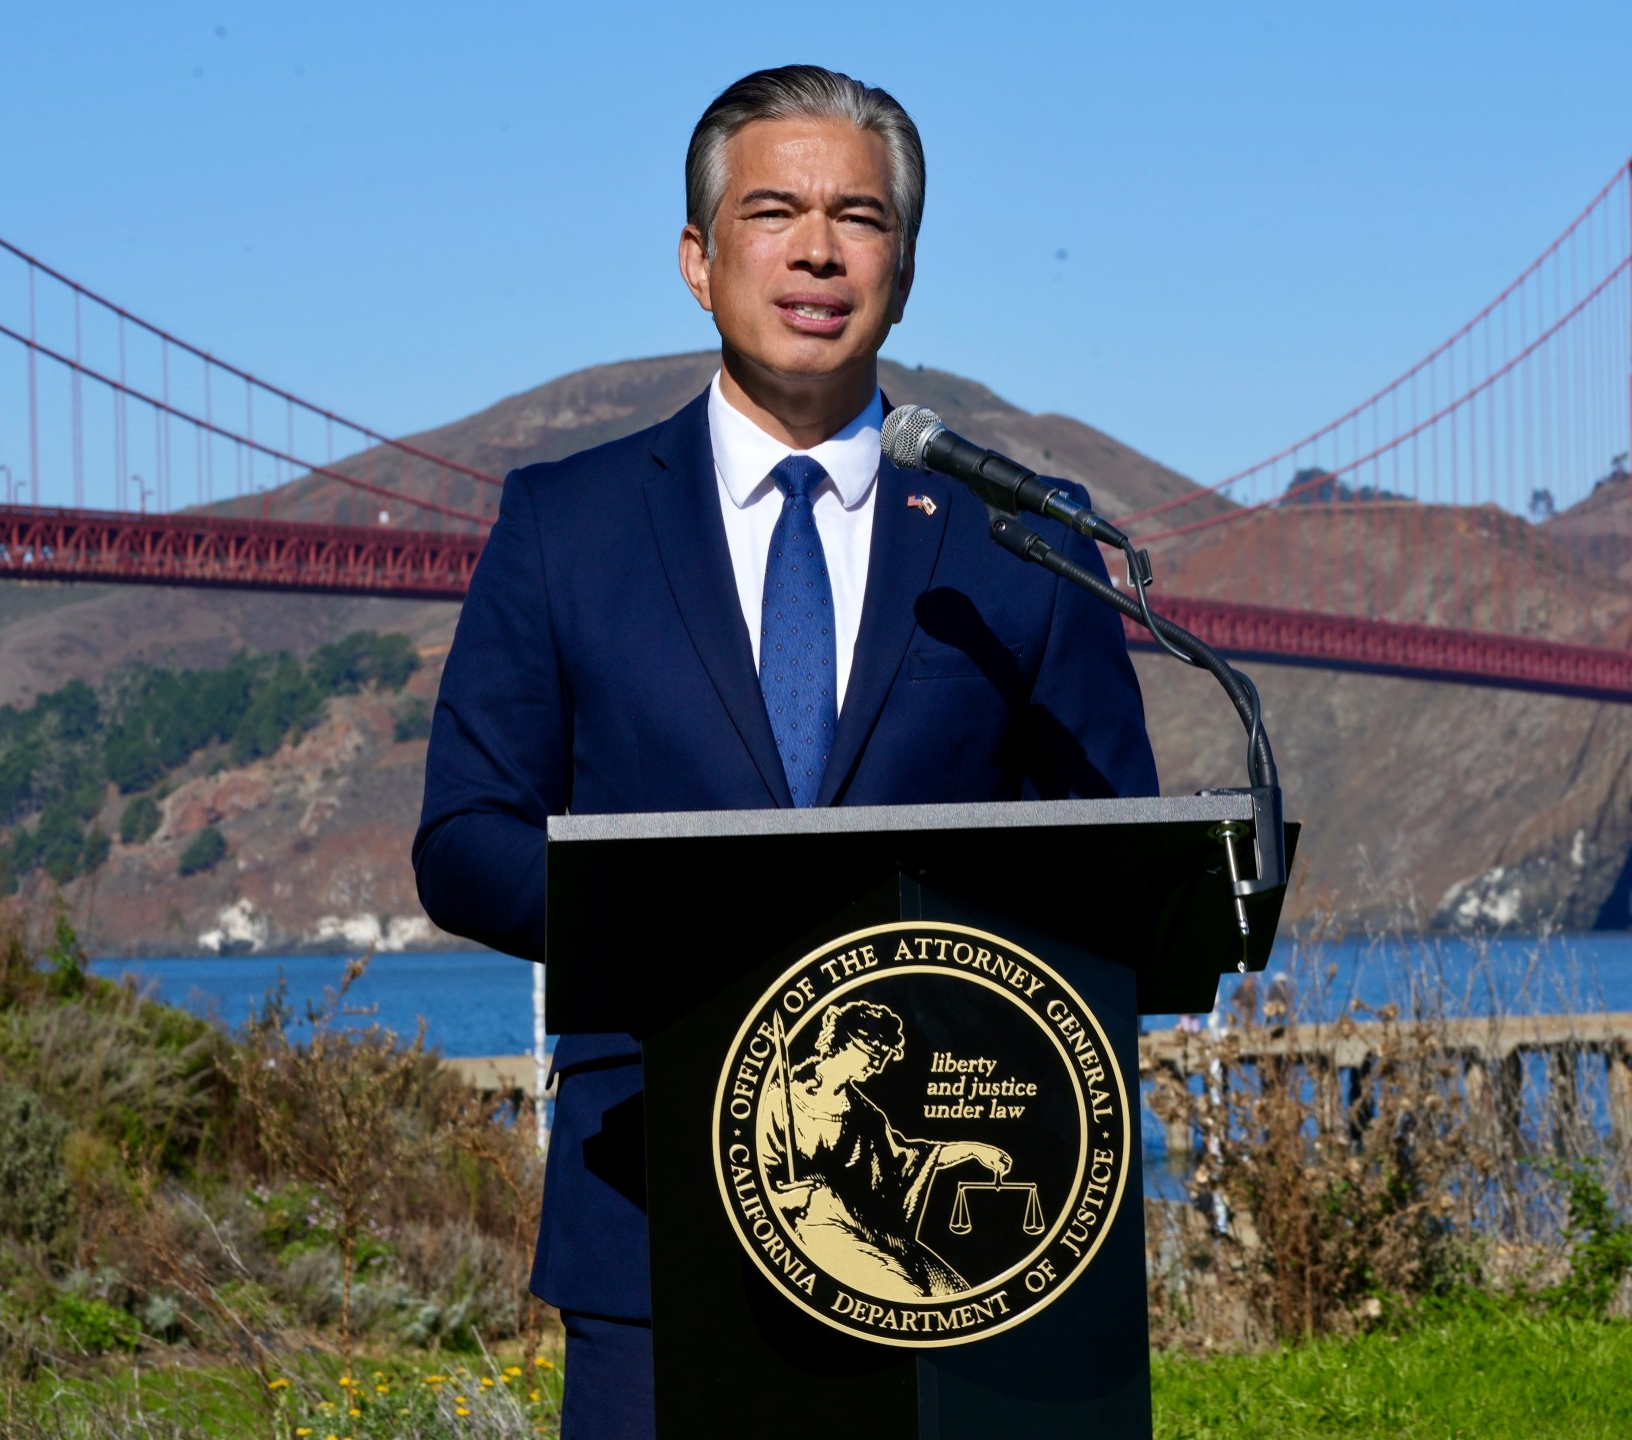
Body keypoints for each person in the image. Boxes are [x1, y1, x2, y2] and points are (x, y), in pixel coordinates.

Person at [412, 65, 1155, 1438]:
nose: (818, 248)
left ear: (906, 265)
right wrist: (677, 939)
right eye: (774, 211)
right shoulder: (563, 525)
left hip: (972, 1238)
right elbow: (465, 840)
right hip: (650, 1189)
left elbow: (1114, 839)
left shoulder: (1025, 539)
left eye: (860, 217)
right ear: (699, 260)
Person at [756, 1000, 1011, 1299]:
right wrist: (801, 1196)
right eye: (873, 1051)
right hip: (816, 1226)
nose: (878, 1064)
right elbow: (756, 1188)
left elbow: (909, 1160)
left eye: (884, 1056)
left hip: (871, 1226)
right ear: (846, 1041)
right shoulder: (780, 1102)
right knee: (908, 1297)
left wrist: (970, 1150)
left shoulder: (865, 1114)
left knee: (956, 1295)